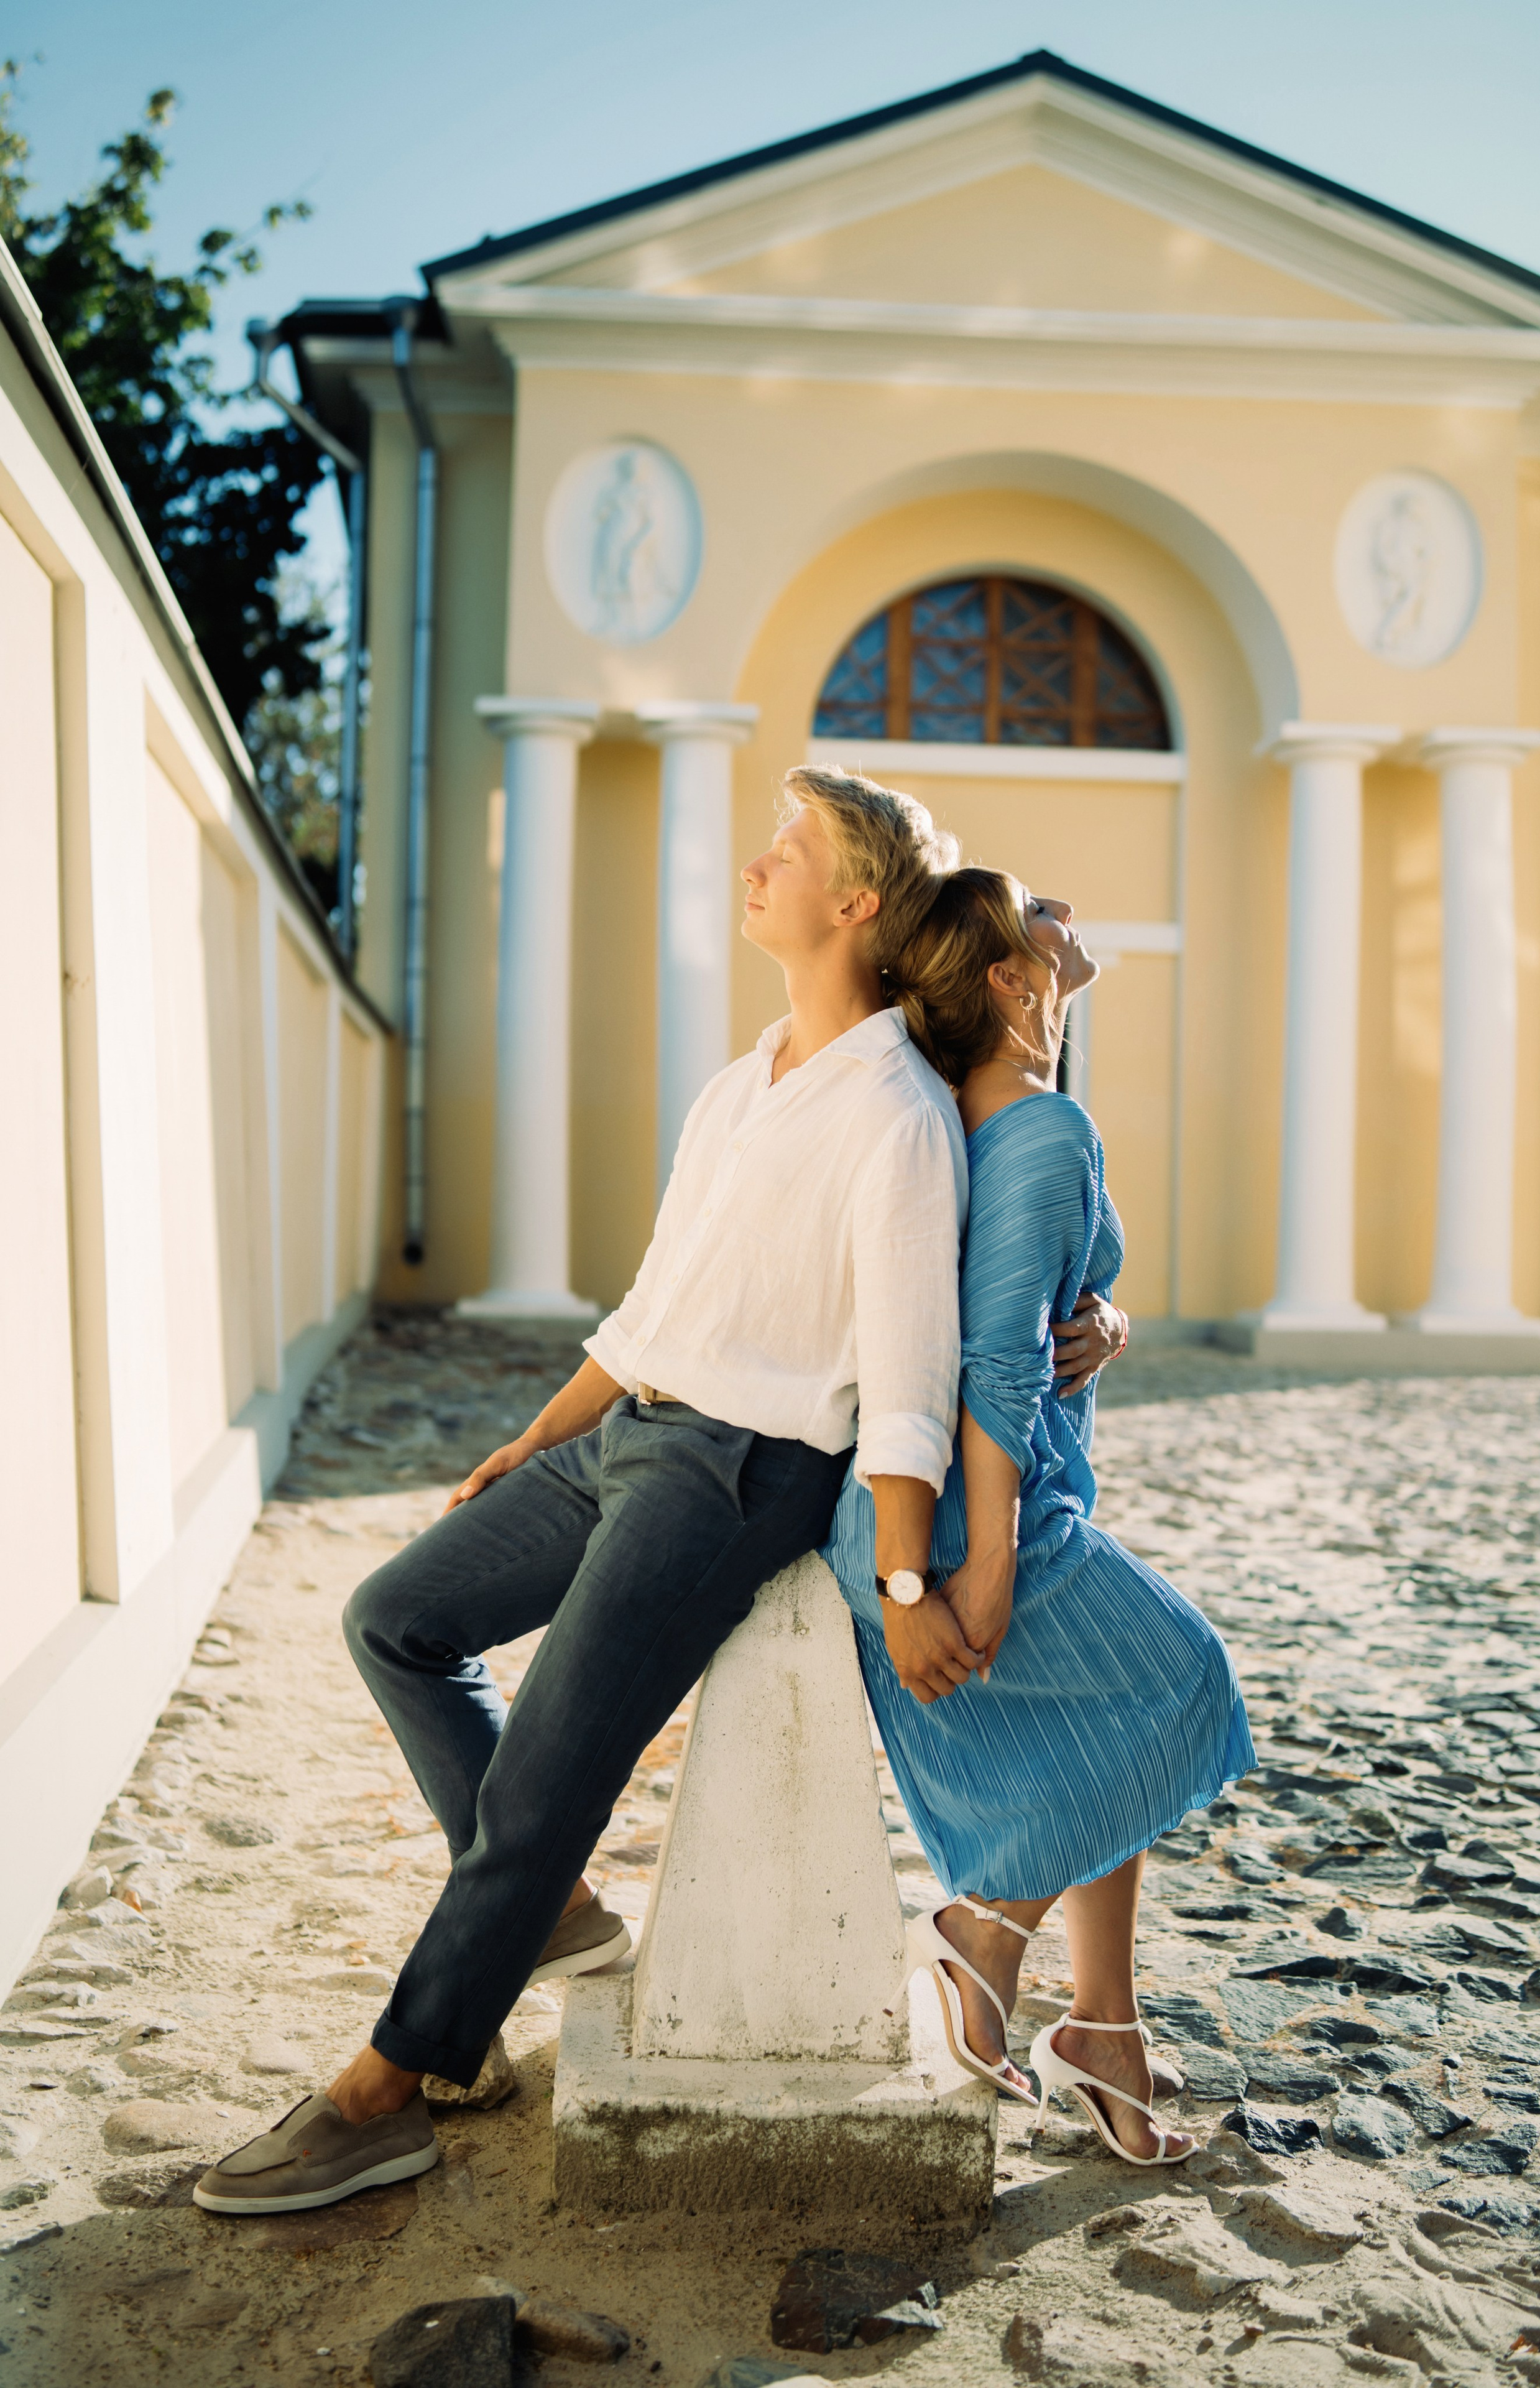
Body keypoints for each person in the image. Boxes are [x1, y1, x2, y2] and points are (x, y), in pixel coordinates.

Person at [195, 767, 980, 2218]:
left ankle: (388, 2090)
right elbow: (653, 1302)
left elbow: (908, 1377)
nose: (757, 863)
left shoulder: (899, 1116)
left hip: (744, 1472)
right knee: (396, 1618)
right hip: (630, 1436)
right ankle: (546, 1908)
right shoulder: (742, 1084)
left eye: (789, 849)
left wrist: (906, 1575)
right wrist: (538, 1433)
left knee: (552, 1766)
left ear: (857, 903)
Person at [821, 868, 1253, 2168]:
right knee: (1187, 1688)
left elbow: (1021, 1306)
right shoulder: (1040, 1124)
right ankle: (987, 1933)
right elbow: (999, 1359)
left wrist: (1106, 1323)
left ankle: (1104, 2027)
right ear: (1010, 979)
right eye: (1039, 911)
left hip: (945, 1495)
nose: (1069, 911)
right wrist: (991, 1570)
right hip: (971, 1516)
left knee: (1105, 1732)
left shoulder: (950, 1111)